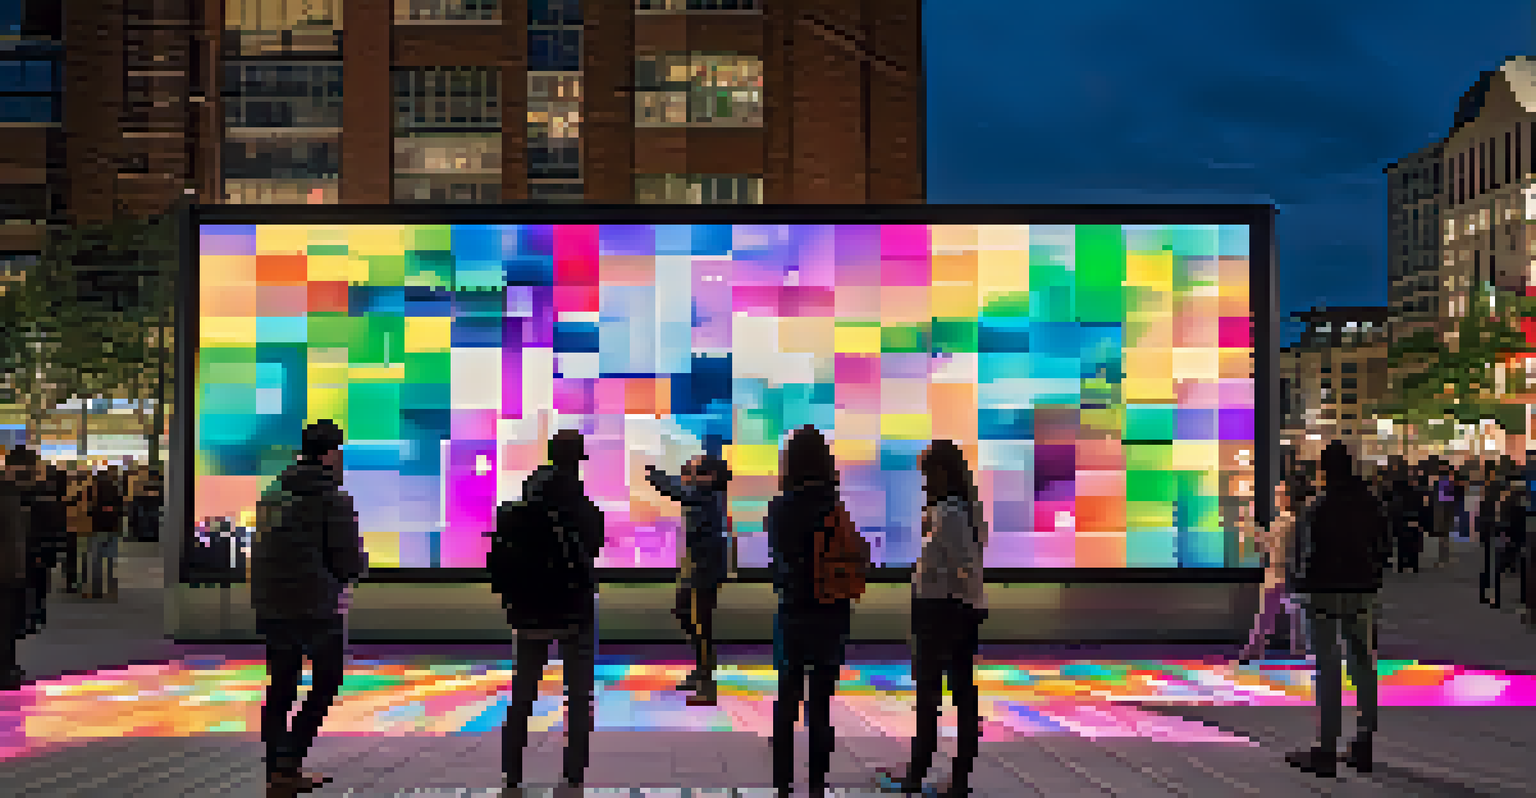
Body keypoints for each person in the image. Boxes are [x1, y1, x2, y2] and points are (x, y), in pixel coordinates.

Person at [251, 419, 366, 797]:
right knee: (327, 679)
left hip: (271, 603)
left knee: (282, 684)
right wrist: (352, 572)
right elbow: (348, 560)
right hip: (316, 605)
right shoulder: (332, 497)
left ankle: (277, 770)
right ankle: (289, 760)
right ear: (331, 453)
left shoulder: (273, 492)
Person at [493, 429, 605, 793]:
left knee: (523, 692)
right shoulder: (582, 507)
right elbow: (594, 547)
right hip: (575, 611)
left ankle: (512, 772)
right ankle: (573, 773)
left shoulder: (518, 509)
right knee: (578, 695)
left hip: (528, 614)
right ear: (578, 462)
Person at [875, 440, 987, 798]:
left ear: (942, 473)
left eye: (928, 474)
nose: (924, 483)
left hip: (943, 612)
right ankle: (952, 774)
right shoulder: (963, 511)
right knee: (959, 693)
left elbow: (958, 568)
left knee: (933, 695)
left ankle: (923, 772)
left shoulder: (950, 514)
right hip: (956, 610)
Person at [767, 425, 862, 798]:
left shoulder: (781, 507)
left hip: (793, 610)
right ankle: (818, 783)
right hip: (831, 610)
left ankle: (783, 783)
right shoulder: (833, 505)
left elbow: (779, 562)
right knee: (821, 702)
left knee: (787, 698)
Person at [1286, 440, 1385, 778]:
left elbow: (1307, 554)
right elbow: (1384, 546)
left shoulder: (1318, 508)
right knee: (1363, 664)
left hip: (1323, 594)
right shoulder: (1371, 504)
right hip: (1362, 590)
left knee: (1327, 667)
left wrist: (1299, 583)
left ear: (1325, 470)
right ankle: (1364, 742)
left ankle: (1326, 747)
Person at [645, 452, 731, 705]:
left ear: (709, 476)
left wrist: (654, 475)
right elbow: (680, 487)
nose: (688, 475)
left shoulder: (706, 494)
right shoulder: (703, 492)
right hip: (695, 564)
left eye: (693, 471)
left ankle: (707, 684)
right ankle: (702, 669)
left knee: (702, 624)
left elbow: (676, 490)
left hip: (706, 566)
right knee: (682, 609)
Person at [1238, 475, 1308, 662]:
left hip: (1277, 573)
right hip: (1291, 573)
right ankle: (1300, 650)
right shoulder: (1296, 521)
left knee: (1266, 616)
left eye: (1280, 494)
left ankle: (1255, 650)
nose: (1278, 497)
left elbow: (1268, 546)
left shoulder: (1284, 521)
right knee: (1296, 616)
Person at [1, 448, 36, 690]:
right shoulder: (9, 494)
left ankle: (8, 668)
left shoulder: (15, 494)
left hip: (14, 571)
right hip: (9, 572)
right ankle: (6, 670)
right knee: (6, 625)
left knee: (9, 624)